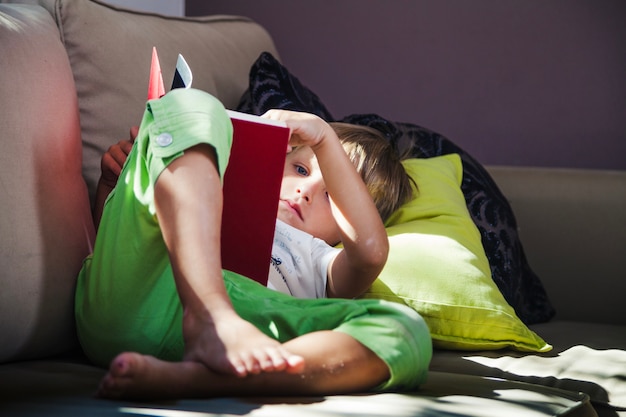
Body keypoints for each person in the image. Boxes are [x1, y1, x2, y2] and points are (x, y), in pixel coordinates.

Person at [75, 88, 431, 400]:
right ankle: (210, 316)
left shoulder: (321, 262)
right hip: (146, 295)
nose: (303, 193)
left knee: (405, 329)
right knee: (191, 105)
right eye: (301, 170)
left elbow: (370, 253)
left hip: (253, 334)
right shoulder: (208, 183)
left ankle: (201, 380)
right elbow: (113, 253)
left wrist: (323, 139)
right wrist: (112, 184)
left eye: (330, 195)